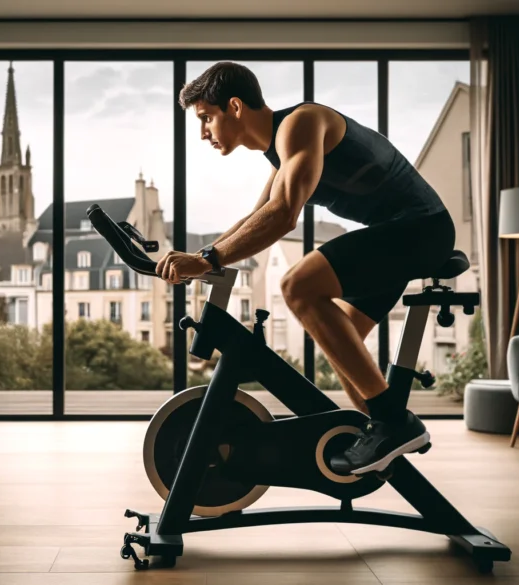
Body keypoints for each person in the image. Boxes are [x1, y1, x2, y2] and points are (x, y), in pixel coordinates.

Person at [155, 62, 456, 476]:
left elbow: (282, 216)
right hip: (398, 234)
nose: (202, 132)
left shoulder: (301, 124)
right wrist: (202, 256)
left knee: (298, 286)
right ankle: (382, 439)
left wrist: (207, 261)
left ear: (235, 107)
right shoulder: (280, 152)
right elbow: (256, 215)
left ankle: (394, 424)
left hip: (421, 229)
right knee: (345, 352)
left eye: (206, 118)